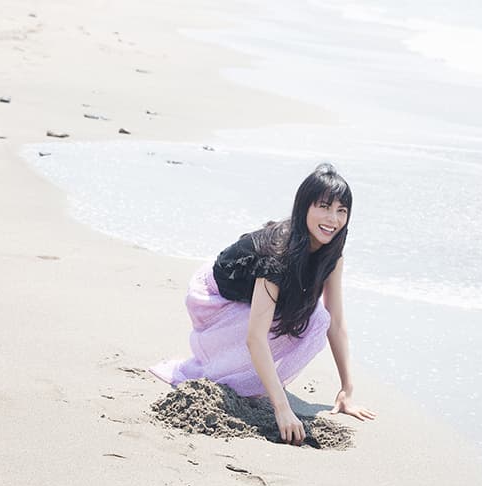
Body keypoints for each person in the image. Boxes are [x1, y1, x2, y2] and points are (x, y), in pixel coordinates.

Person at [150, 163, 376, 445]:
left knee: (317, 318)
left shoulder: (332, 255)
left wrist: (346, 389)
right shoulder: (279, 254)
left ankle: (251, 377)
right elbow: (255, 337)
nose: (333, 218)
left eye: (341, 210)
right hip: (212, 297)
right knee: (287, 324)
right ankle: (227, 370)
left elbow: (336, 321)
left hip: (251, 297)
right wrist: (281, 408)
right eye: (324, 207)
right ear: (304, 206)